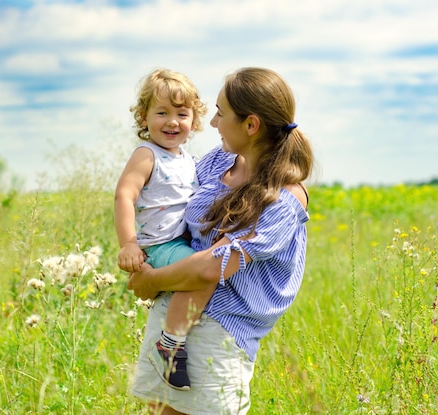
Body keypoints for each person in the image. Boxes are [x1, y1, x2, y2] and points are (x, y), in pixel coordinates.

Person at [127, 67, 314, 414]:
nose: (212, 123)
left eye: (221, 113)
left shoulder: (283, 199)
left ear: (251, 125)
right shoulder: (218, 162)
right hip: (171, 313)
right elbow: (172, 209)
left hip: (219, 331)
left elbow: (213, 266)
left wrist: (149, 280)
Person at [114, 68, 210, 390]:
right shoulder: (147, 155)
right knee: (202, 274)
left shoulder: (187, 158)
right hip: (159, 244)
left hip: (180, 240)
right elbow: (125, 195)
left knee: (201, 269)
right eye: (162, 113)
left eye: (182, 114)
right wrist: (129, 243)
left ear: (194, 121)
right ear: (144, 118)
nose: (172, 121)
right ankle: (170, 345)